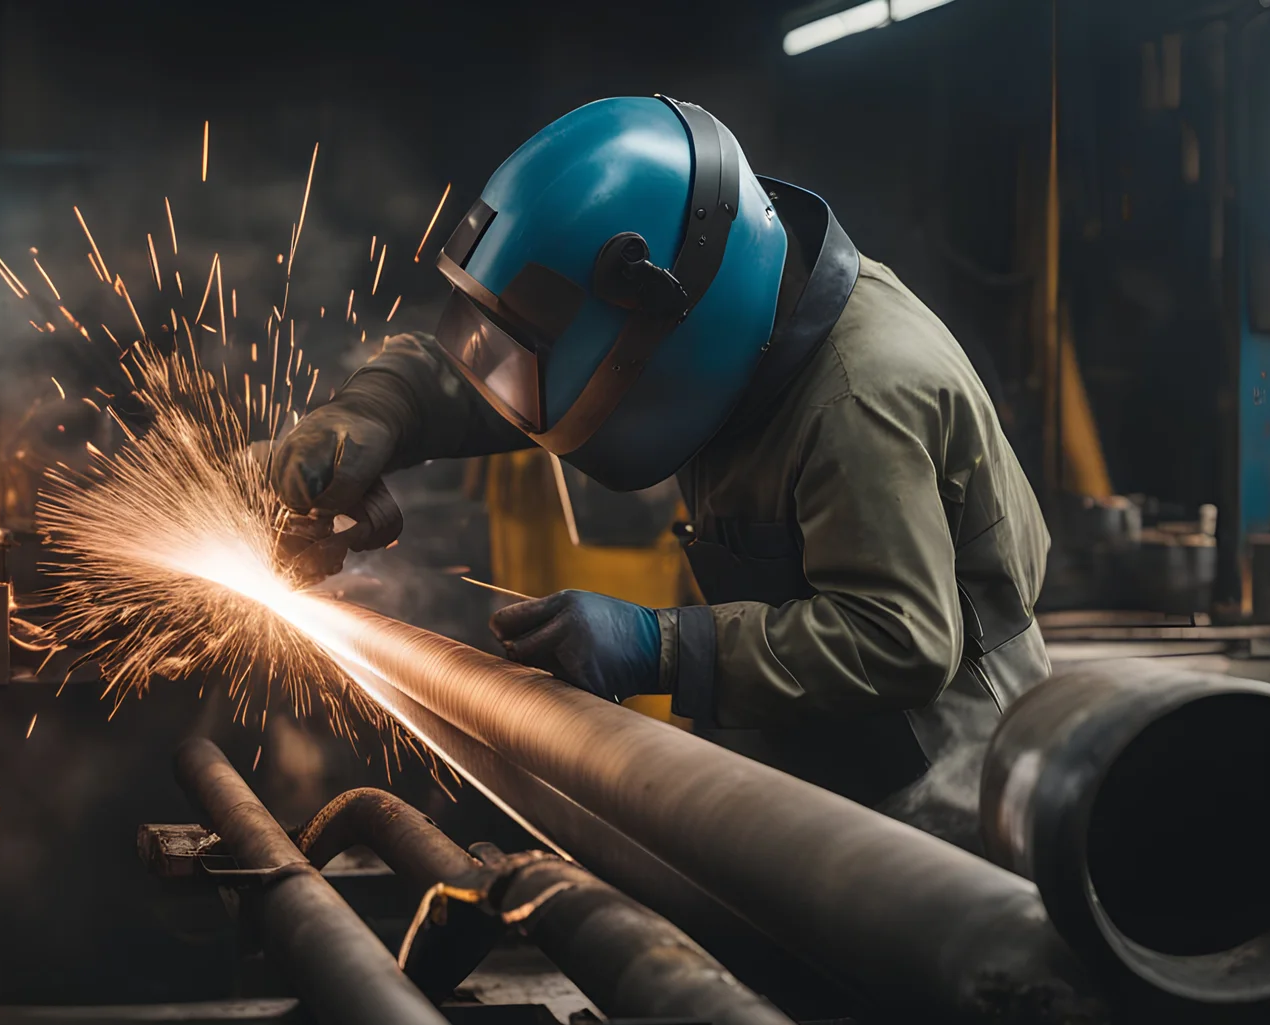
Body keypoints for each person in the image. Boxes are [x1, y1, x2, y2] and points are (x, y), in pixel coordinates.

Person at [268, 95, 1050, 835]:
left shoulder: (860, 398)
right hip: (809, 727)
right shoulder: (734, 313)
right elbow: (528, 370)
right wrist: (381, 409)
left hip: (944, 768)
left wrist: (662, 646)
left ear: (668, 322)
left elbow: (897, 639)